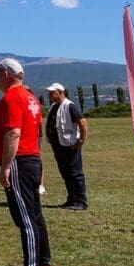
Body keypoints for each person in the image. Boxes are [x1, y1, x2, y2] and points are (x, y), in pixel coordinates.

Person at [0, 59, 53, 266]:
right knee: (35, 215)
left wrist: (6, 165)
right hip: (31, 159)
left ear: (6, 74)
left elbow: (13, 133)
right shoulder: (31, 97)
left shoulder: (13, 97)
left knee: (25, 217)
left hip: (20, 161)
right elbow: (37, 134)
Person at [44, 82, 89, 210]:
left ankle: (81, 201)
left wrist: (81, 140)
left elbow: (82, 122)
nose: (50, 95)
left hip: (70, 145)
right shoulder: (54, 106)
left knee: (75, 173)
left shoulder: (70, 106)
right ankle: (72, 199)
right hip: (58, 145)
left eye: (53, 92)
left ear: (61, 92)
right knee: (65, 173)